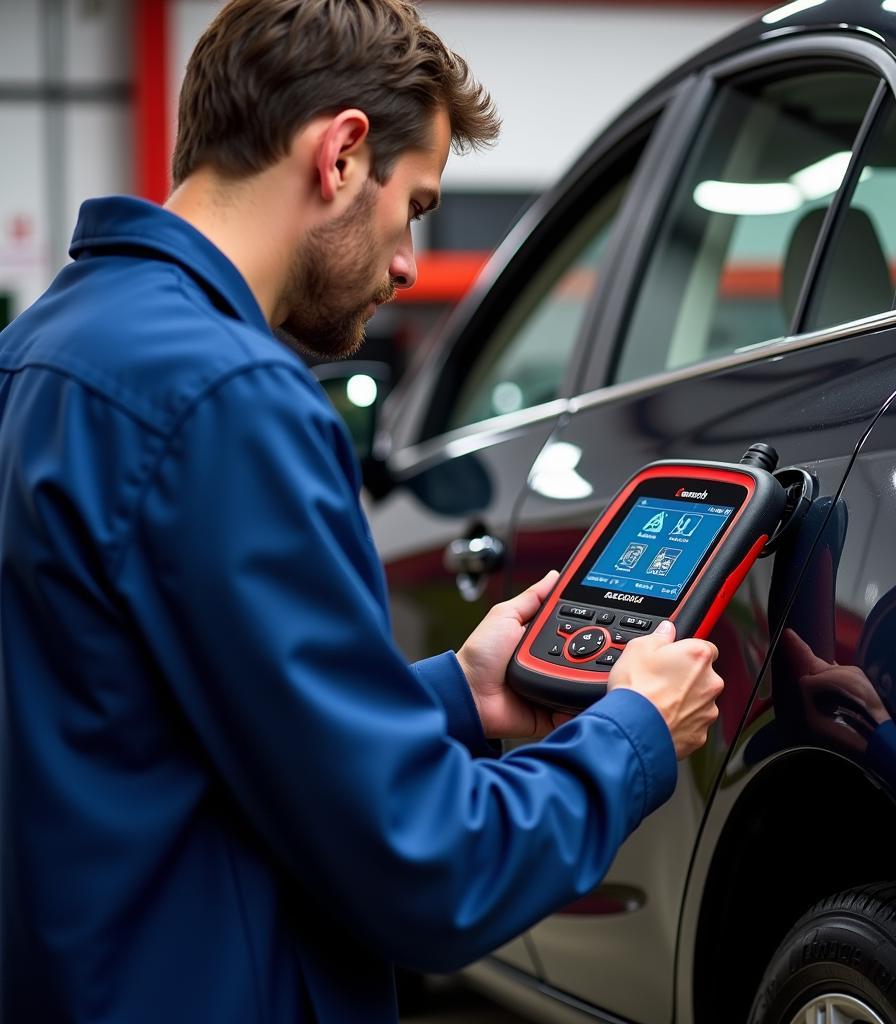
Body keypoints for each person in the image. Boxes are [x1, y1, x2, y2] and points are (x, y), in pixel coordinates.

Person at [0, 1, 724, 1021]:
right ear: (341, 155)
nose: (405, 265)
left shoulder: (45, 349)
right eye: (415, 207)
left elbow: (165, 718)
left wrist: (453, 695)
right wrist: (635, 732)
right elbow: (427, 863)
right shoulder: (229, 400)